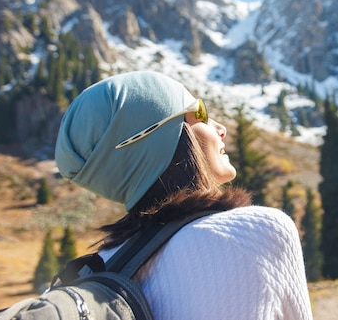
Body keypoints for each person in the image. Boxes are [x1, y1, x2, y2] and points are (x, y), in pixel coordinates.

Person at [54, 70, 314, 320]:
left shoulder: (96, 268)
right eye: (200, 112)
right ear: (157, 136)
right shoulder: (253, 233)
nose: (220, 128)